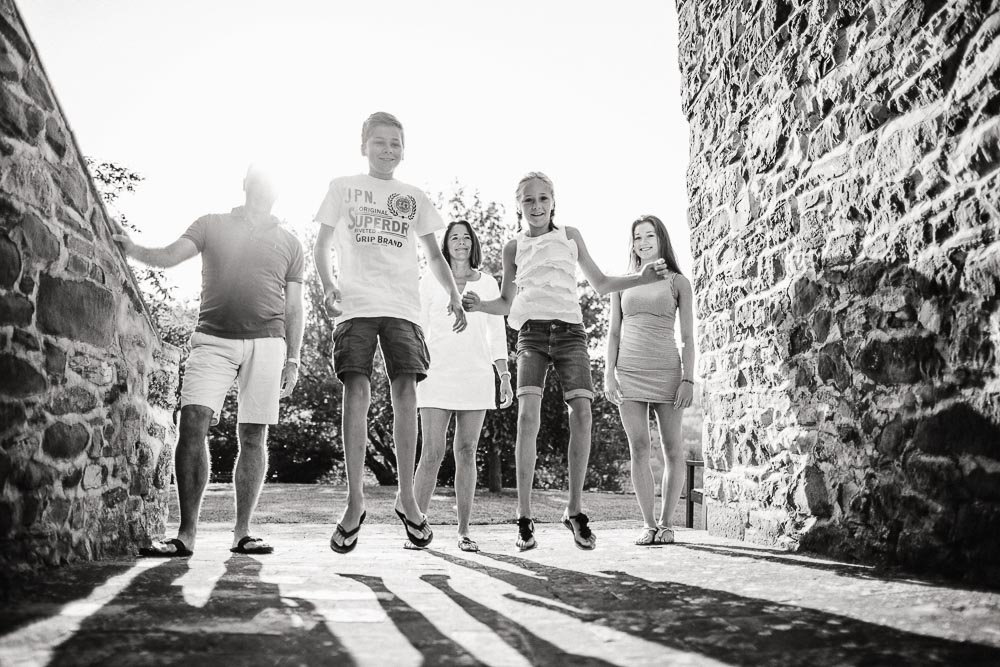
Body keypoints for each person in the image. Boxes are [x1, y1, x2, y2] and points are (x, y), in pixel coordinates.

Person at [462, 172, 670, 551]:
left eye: (543, 199)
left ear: (553, 201)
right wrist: (480, 306)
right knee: (528, 417)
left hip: (571, 333)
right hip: (532, 335)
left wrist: (639, 279)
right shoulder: (513, 248)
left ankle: (573, 511)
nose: (537, 206)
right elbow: (506, 304)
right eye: (528, 200)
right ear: (519, 206)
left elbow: (602, 284)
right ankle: (525, 518)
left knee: (583, 413)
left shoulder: (570, 236)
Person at [113, 165, 305, 557]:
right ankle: (186, 535)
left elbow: (295, 307)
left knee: (254, 435)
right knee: (193, 422)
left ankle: (243, 533)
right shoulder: (211, 224)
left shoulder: (290, 241)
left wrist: (295, 360)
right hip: (213, 339)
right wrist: (132, 249)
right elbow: (169, 255)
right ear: (247, 182)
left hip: (268, 344)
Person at [313, 111, 467, 554]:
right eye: (380, 142)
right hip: (356, 304)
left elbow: (435, 257)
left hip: (403, 305)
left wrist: (454, 294)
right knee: (355, 392)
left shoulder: (413, 195)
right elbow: (321, 244)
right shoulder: (342, 187)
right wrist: (328, 285)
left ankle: (407, 500)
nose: (388, 150)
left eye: (396, 143)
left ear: (404, 149)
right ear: (364, 145)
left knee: (406, 395)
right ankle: (355, 501)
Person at [413, 220, 514, 552]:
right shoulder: (429, 280)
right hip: (435, 374)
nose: (460, 242)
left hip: (475, 375)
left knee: (466, 451)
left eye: (465, 237)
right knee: (431, 452)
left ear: (473, 244)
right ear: (445, 245)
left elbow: (496, 335)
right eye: (454, 237)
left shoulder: (487, 283)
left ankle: (464, 531)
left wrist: (503, 375)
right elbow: (418, 328)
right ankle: (416, 526)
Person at [604, 215, 695, 546]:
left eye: (649, 236)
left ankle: (667, 522)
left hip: (669, 374)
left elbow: (686, 335)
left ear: (661, 240)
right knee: (639, 448)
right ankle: (648, 524)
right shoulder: (622, 283)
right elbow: (613, 332)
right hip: (628, 373)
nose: (642, 242)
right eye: (637, 237)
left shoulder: (678, 282)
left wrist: (689, 378)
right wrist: (608, 374)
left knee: (672, 449)